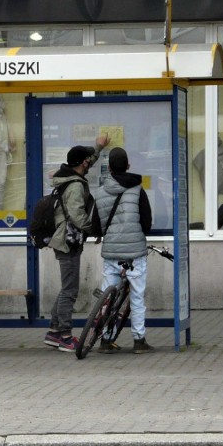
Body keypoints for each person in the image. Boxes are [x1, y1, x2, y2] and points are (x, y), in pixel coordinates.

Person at [44, 134, 109, 352]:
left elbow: (88, 159)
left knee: (67, 288)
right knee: (70, 290)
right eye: (87, 161)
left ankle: (54, 332)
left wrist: (98, 147)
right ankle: (64, 335)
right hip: (67, 241)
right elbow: (77, 216)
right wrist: (95, 228)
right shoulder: (74, 186)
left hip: (66, 240)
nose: (89, 163)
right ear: (81, 163)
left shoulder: (70, 175)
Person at [93, 147, 154, 354]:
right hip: (135, 252)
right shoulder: (138, 189)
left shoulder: (100, 192)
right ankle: (139, 341)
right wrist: (139, 233)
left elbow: (95, 226)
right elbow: (146, 222)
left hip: (111, 252)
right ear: (128, 166)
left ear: (108, 167)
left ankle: (105, 340)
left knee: (107, 298)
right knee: (136, 297)